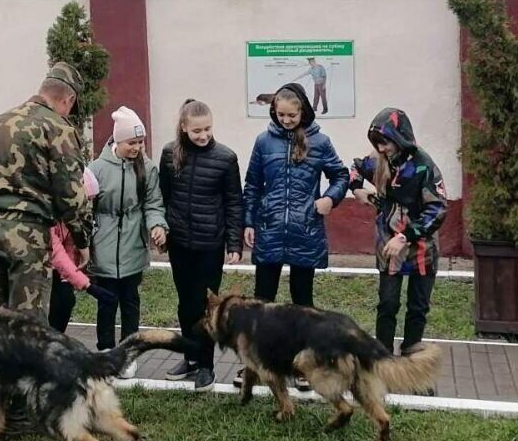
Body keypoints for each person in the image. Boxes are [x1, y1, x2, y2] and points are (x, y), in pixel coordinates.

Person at [241, 83, 349, 388]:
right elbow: (252, 185)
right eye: (281, 115)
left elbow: (340, 175)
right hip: (270, 229)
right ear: (274, 112)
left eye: (292, 115)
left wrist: (329, 198)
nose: (286, 120)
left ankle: (304, 366)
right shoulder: (263, 142)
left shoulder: (320, 142)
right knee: (263, 303)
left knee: (303, 304)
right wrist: (249, 222)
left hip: (305, 231)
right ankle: (259, 364)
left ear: (303, 111)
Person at [0, 62, 91, 322]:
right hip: (27, 233)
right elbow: (71, 195)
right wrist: (82, 240)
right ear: (69, 99)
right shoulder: (58, 128)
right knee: (28, 325)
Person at [349, 107, 448, 355]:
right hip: (388, 246)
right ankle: (382, 356)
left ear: (400, 137)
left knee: (418, 306)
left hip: (422, 249)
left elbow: (437, 208)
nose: (381, 148)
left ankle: (411, 353)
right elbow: (354, 169)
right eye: (377, 144)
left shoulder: (424, 166)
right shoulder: (378, 161)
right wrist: (357, 189)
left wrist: (405, 237)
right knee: (387, 303)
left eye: (385, 142)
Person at [159, 99, 243, 391]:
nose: (203, 135)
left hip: (210, 245)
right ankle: (190, 358)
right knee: (185, 304)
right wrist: (162, 231)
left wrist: (234, 243)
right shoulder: (169, 154)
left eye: (207, 129)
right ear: (184, 127)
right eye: (197, 131)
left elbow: (234, 203)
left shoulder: (226, 158)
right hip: (180, 243)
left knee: (206, 306)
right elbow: (163, 197)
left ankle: (207, 365)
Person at [84, 107, 168, 379]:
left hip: (133, 245)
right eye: (132, 142)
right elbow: (86, 209)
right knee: (106, 302)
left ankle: (128, 353)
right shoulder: (96, 169)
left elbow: (153, 203)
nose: (137, 147)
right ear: (117, 141)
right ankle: (105, 351)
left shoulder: (148, 168)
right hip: (104, 246)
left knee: (131, 301)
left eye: (140, 142)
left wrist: (156, 225)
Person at [46, 167, 120, 336]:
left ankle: (55, 341)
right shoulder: (47, 216)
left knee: (66, 300)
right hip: (37, 268)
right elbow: (56, 253)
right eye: (86, 200)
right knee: (51, 305)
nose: (88, 206)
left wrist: (70, 280)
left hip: (57, 269)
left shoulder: (72, 220)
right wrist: (88, 286)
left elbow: (70, 251)